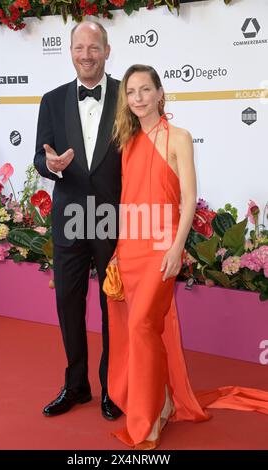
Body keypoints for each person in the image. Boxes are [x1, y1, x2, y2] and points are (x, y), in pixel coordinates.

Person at [105, 64, 268, 450]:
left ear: (161, 94)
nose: (139, 98)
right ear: (126, 100)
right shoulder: (127, 142)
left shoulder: (179, 137)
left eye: (146, 90)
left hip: (163, 248)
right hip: (131, 248)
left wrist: (178, 248)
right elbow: (127, 203)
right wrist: (115, 249)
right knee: (139, 332)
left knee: (144, 324)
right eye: (131, 92)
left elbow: (189, 198)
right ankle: (159, 404)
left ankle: (147, 421)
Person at [34, 21, 122, 421]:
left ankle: (113, 388)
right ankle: (76, 385)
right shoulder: (51, 100)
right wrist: (49, 165)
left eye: (94, 47)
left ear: (107, 49)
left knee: (112, 304)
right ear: (70, 51)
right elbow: (39, 155)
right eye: (79, 47)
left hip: (114, 214)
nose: (86, 55)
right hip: (69, 214)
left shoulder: (127, 95)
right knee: (68, 302)